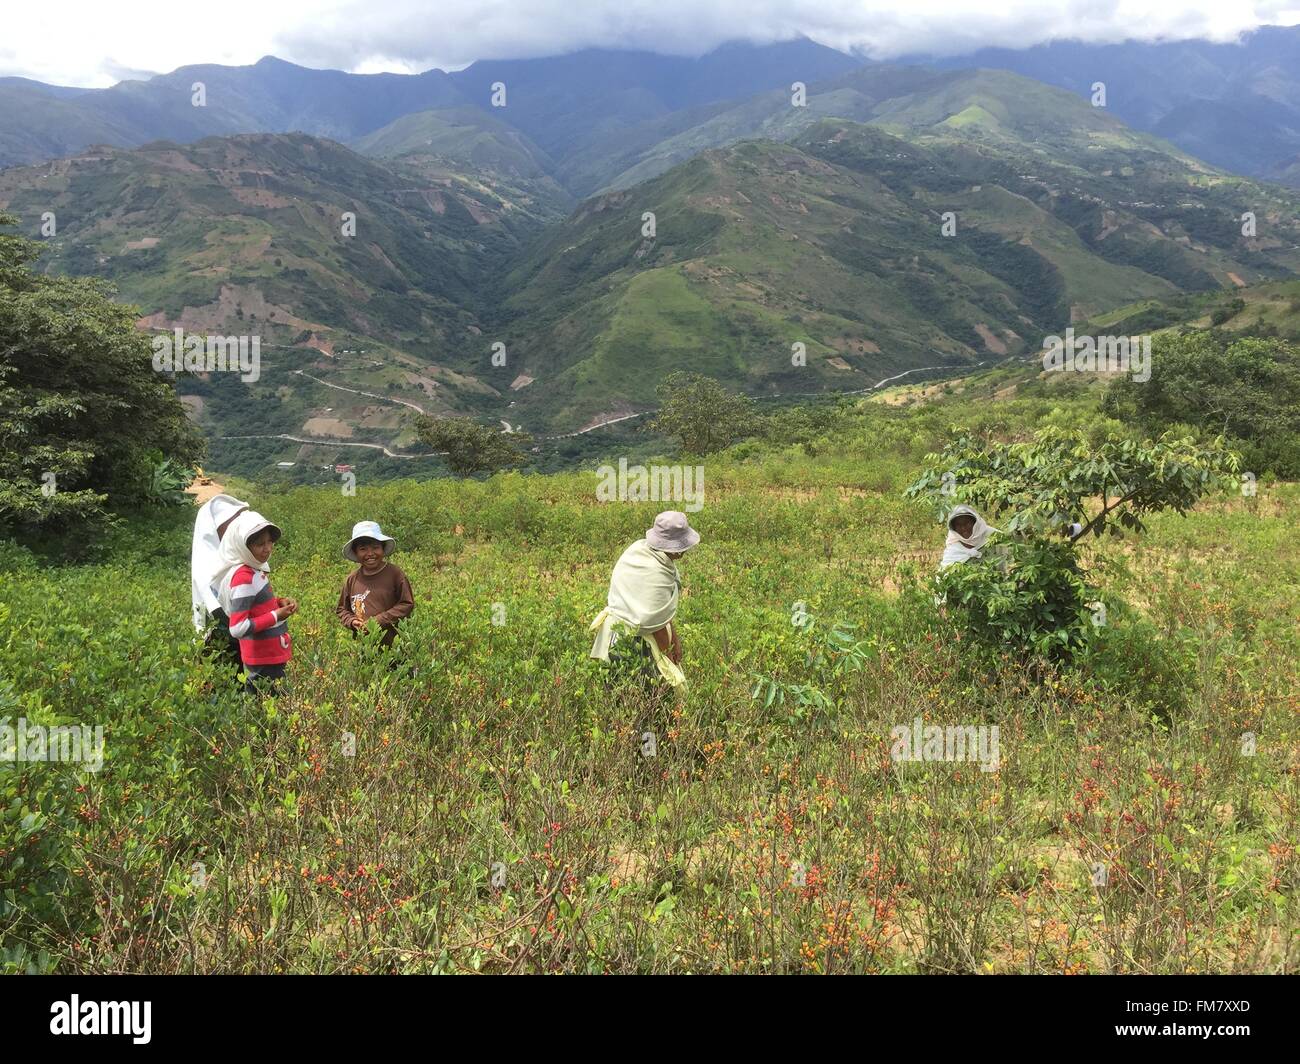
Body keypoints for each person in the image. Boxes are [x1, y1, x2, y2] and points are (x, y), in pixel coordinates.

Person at [589, 511, 700, 689]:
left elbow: (661, 612)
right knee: (651, 697)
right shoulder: (656, 571)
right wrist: (669, 660)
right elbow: (655, 625)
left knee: (622, 698)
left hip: (616, 636)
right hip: (633, 643)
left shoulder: (639, 550)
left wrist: (676, 641)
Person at [213, 510, 295, 694]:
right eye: (260, 544)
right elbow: (237, 628)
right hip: (262, 658)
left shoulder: (254, 570)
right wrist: (276, 616)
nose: (267, 548)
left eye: (269, 542)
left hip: (270, 654)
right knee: (266, 709)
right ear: (243, 547)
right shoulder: (243, 577)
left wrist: (280, 602)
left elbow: (256, 606)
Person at [335, 521, 415, 649]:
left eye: (375, 547)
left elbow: (406, 604)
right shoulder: (352, 579)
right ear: (356, 552)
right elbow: (342, 609)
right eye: (363, 549)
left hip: (395, 647)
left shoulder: (395, 574)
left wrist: (379, 621)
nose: (370, 553)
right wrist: (352, 621)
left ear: (382, 549)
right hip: (365, 649)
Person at [191, 494, 249, 664]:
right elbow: (218, 610)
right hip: (221, 643)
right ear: (215, 527)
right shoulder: (207, 562)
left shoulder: (232, 556)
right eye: (232, 521)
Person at [940, 505, 999, 569]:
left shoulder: (993, 536)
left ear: (975, 522)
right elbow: (944, 574)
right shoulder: (953, 551)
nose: (963, 528)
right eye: (958, 525)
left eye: (967, 523)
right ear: (954, 528)